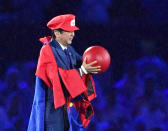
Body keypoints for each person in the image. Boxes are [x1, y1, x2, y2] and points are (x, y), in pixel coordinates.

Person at [28, 14, 101, 131]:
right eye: (69, 31)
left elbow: (82, 63)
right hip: (51, 112)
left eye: (73, 31)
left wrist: (95, 61)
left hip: (64, 110)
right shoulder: (47, 51)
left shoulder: (69, 50)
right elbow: (56, 79)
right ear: (57, 33)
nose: (73, 34)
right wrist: (82, 70)